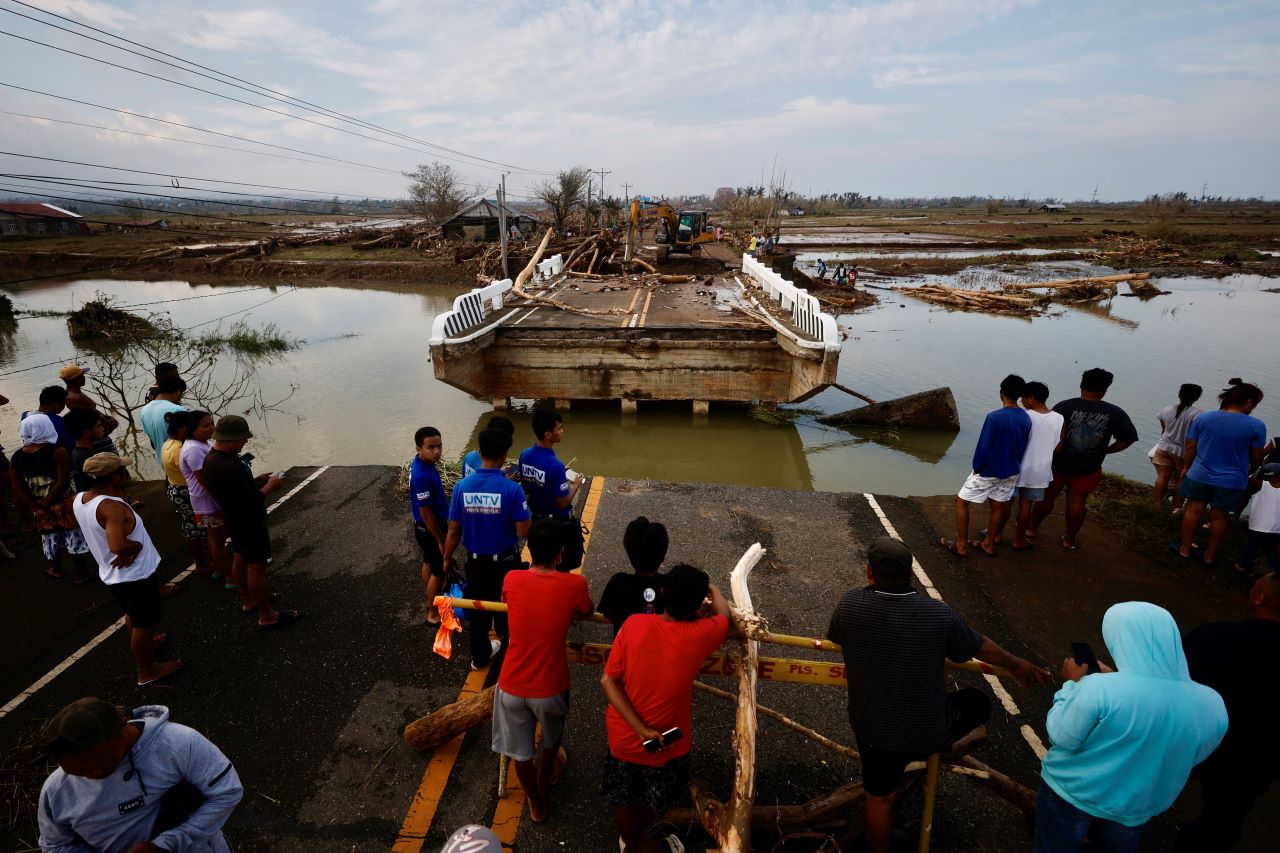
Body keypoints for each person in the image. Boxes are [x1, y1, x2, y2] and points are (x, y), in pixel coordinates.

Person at [829, 537, 1048, 853]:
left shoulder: (850, 604)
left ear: (868, 572)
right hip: (928, 730)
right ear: (911, 573)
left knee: (878, 797)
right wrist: (1018, 665)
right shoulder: (938, 614)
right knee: (978, 701)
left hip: (872, 729)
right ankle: (922, 754)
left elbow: (836, 636)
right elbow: (976, 647)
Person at [1035, 602, 1227, 852]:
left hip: (1072, 794)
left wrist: (1072, 685)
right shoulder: (1213, 703)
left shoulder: (1097, 688)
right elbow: (1191, 756)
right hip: (1136, 807)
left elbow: (1062, 735)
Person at [601, 563, 733, 853]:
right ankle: (640, 843)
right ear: (697, 605)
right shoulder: (700, 634)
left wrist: (640, 729)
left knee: (627, 796)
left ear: (662, 593)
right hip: (667, 745)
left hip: (624, 738)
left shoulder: (634, 624)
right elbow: (724, 614)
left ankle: (631, 839)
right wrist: (713, 589)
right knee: (657, 796)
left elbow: (609, 681)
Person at [38, 697, 242, 852]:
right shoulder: (55, 791)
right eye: (79, 773)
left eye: (100, 764)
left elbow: (227, 793)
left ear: (121, 727)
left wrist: (166, 845)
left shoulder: (179, 744)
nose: (93, 776)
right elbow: (56, 845)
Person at [492, 519, 593, 823]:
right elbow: (586, 611)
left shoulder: (511, 578)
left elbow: (507, 602)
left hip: (511, 684)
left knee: (519, 753)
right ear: (561, 553)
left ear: (529, 549)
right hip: (551, 687)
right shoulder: (575, 585)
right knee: (551, 741)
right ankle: (544, 777)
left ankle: (536, 803)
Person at [1177, 572, 1280, 851]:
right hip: (1257, 758)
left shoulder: (1213, 636)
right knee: (1224, 819)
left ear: (1260, 597)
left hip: (1197, 740)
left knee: (1149, 783)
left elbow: (1173, 683)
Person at [72, 452, 182, 685]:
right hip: (136, 575)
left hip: (114, 575)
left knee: (133, 613)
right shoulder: (111, 508)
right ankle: (147, 670)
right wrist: (136, 546)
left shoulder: (81, 499)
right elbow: (118, 545)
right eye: (122, 469)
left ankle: (147, 645)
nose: (126, 471)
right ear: (114, 477)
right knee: (143, 622)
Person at [443, 427, 531, 670]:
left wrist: (447, 558)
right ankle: (513, 656)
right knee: (508, 609)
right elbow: (524, 532)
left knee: (478, 613)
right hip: (506, 563)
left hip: (476, 563)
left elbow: (453, 530)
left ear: (479, 451)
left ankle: (480, 658)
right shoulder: (513, 490)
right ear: (505, 455)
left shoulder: (462, 487)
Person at [202, 416, 299, 628]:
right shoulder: (227, 466)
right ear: (230, 439)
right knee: (256, 567)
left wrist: (255, 482)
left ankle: (249, 600)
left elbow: (235, 493)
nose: (245, 443)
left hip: (234, 519)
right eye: (242, 439)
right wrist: (270, 487)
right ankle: (267, 616)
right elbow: (248, 503)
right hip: (248, 521)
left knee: (240, 557)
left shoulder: (213, 459)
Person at [1028, 368, 1137, 551]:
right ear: (1104, 390)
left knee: (1047, 497)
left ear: (1081, 385)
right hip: (1089, 467)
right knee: (1077, 501)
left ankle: (1031, 530)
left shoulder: (1064, 406)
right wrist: (1105, 451)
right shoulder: (1115, 412)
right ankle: (1069, 540)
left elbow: (1050, 435)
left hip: (1058, 464)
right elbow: (1128, 439)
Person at [1174, 379, 1268, 567]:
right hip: (1232, 479)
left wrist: (1186, 467)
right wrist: (1251, 467)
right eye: (1255, 404)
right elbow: (1257, 456)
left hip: (1200, 474)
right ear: (1249, 402)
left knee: (1193, 510)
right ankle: (1209, 556)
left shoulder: (1204, 418)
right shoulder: (1256, 426)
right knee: (1220, 517)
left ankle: (1184, 549)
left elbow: (1191, 446)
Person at [940, 374, 1031, 557]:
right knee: (998, 506)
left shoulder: (995, 417)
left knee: (961, 502)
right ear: (1020, 395)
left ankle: (961, 545)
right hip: (1011, 471)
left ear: (1001, 392)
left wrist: (978, 466)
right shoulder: (1026, 418)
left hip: (989, 470)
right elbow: (1022, 446)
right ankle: (988, 544)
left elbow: (985, 445)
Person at [11, 414, 91, 582]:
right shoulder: (58, 451)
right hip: (63, 503)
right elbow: (62, 481)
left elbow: (18, 487)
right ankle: (81, 574)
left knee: (50, 538)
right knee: (74, 537)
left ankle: (56, 569)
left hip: (39, 506)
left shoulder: (17, 457)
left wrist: (38, 506)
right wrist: (49, 501)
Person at [519, 407, 585, 570]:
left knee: (541, 564)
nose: (562, 431)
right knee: (561, 566)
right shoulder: (555, 466)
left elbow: (527, 488)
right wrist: (576, 485)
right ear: (548, 434)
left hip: (538, 521)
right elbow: (562, 503)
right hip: (557, 525)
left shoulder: (525, 455)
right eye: (559, 428)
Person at [1002, 381, 1063, 550]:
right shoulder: (1059, 419)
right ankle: (1019, 540)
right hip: (1039, 471)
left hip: (1016, 466)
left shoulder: (1024, 416)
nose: (1021, 401)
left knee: (1006, 501)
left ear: (1033, 398)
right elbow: (1058, 448)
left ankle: (996, 534)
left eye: (1024, 398)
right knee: (1026, 505)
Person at [180, 411, 232, 587]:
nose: (212, 427)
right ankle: (229, 576)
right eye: (206, 425)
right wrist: (224, 500)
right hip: (207, 501)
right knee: (217, 540)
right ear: (193, 430)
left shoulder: (202, 443)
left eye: (212, 423)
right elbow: (205, 480)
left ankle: (219, 570)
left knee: (218, 537)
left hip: (208, 500)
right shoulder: (193, 449)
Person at [598, 516, 669, 636]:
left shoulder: (618, 583)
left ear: (630, 554)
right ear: (663, 555)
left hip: (625, 649)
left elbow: (608, 613)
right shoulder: (673, 585)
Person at [162, 410, 212, 577]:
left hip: (176, 487)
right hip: (185, 491)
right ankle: (202, 562)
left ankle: (207, 557)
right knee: (197, 528)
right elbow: (198, 475)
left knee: (196, 526)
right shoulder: (182, 449)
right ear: (186, 428)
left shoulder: (168, 443)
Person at [410, 426, 450, 626]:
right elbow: (425, 512)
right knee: (439, 571)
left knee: (429, 562)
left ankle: (434, 599)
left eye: (439, 446)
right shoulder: (421, 476)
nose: (437, 451)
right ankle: (433, 614)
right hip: (430, 529)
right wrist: (441, 539)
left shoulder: (423, 463)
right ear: (419, 448)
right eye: (430, 447)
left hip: (425, 528)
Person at [1152, 384, 1203, 510]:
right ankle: (1177, 508)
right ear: (1197, 398)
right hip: (1183, 451)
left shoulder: (1166, 410)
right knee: (1180, 479)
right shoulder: (1197, 415)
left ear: (1179, 394)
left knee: (1162, 476)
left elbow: (1164, 430)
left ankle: (1157, 503)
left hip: (1163, 447)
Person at [60, 363, 119, 454]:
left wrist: (106, 417)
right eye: (81, 376)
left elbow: (92, 411)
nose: (84, 377)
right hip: (97, 439)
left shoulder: (77, 393)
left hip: (101, 433)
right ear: (75, 379)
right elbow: (87, 419)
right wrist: (107, 425)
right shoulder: (73, 398)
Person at [1236, 462, 1280, 574]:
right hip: (1276, 528)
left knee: (1251, 546)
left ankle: (1244, 566)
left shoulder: (1263, 484)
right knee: (1272, 550)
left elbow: (1245, 479)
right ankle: (1275, 571)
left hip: (1259, 525)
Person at [138, 375, 187, 468]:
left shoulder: (144, 410)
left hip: (163, 459)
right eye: (181, 393)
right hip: (179, 459)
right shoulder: (178, 409)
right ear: (177, 391)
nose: (180, 397)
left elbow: (151, 438)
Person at [63, 406, 105, 493]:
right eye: (99, 426)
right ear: (86, 433)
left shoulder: (77, 452)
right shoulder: (88, 457)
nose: (103, 429)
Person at [22, 385, 75, 451]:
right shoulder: (59, 422)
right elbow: (70, 444)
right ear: (56, 404)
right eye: (64, 403)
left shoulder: (25, 416)